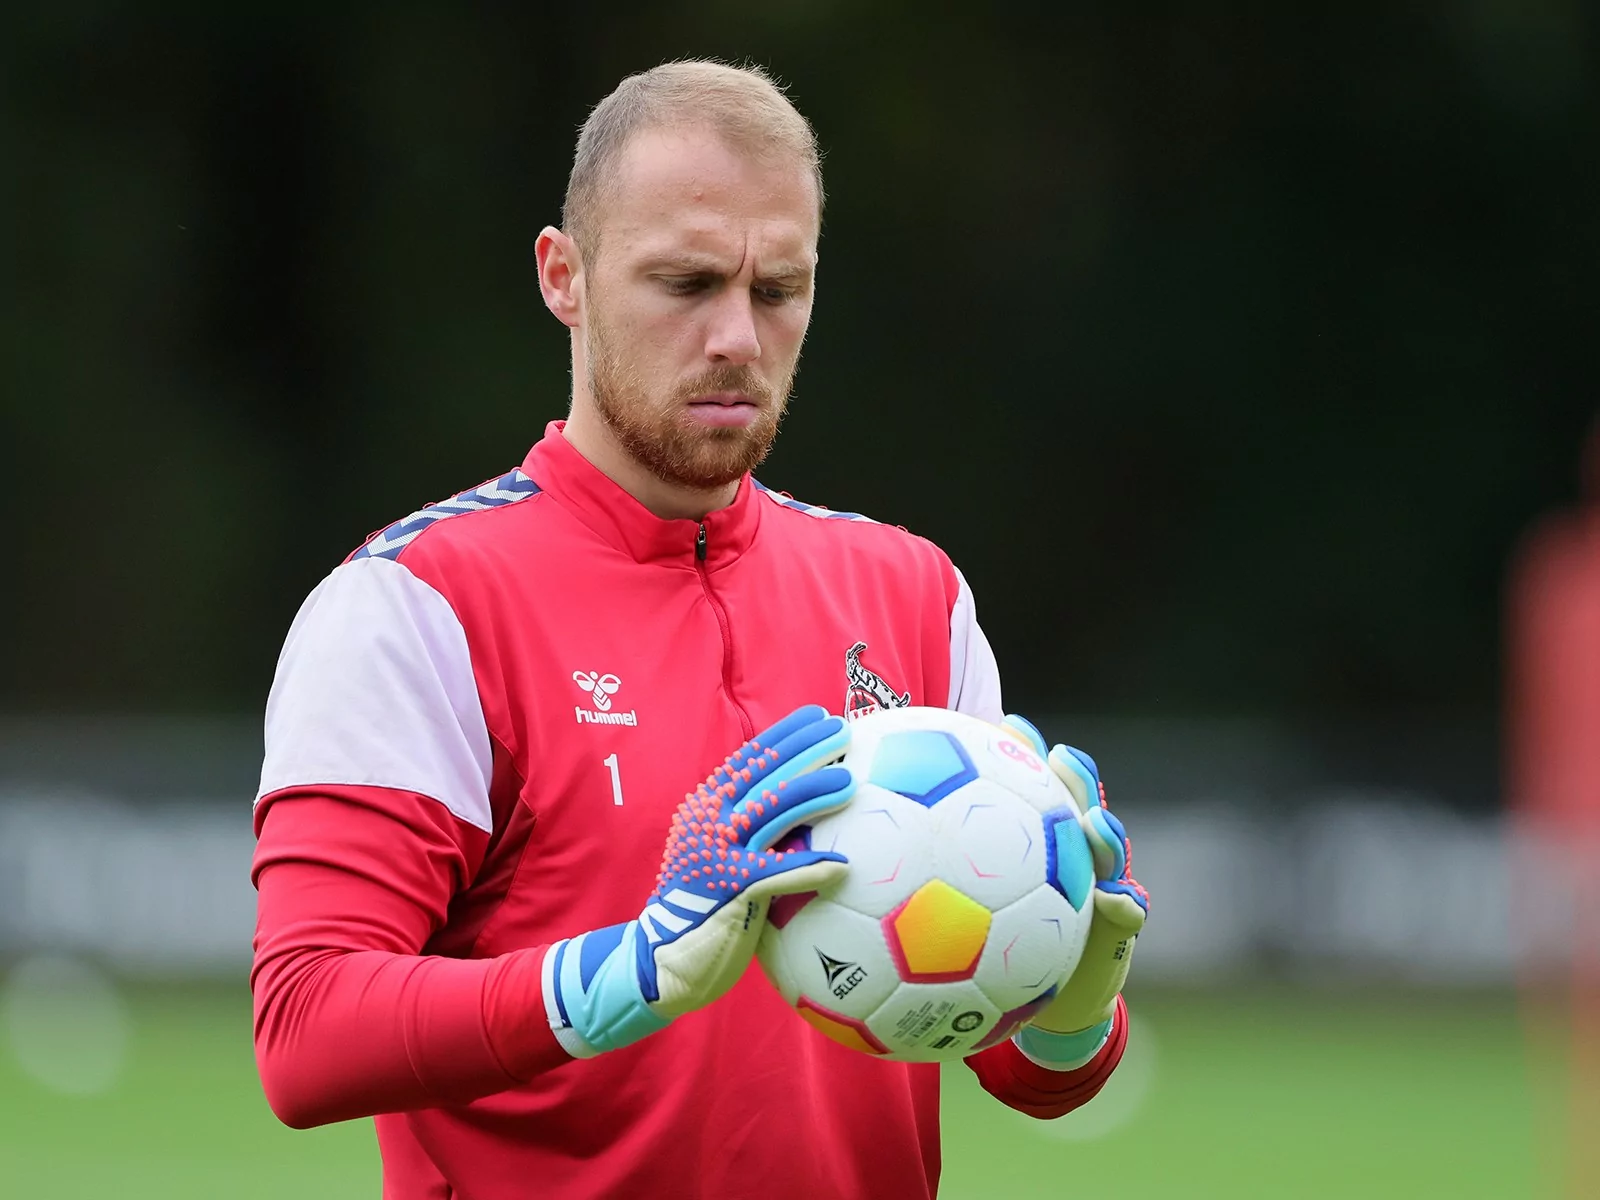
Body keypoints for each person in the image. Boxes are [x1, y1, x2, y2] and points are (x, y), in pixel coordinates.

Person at [250, 60, 1148, 1199]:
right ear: (561, 277)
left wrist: (1072, 1006)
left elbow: (1006, 1060)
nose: (736, 336)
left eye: (778, 289)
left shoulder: (911, 590)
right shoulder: (416, 603)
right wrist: (626, 972)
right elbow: (305, 1029)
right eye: (684, 283)